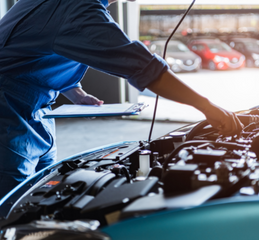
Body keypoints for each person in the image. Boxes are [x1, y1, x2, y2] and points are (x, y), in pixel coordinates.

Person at [0, 0, 243, 199]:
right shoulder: (76, 9)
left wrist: (76, 92)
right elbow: (144, 68)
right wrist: (206, 106)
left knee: (42, 190)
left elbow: (33, 52)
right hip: (8, 110)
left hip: (35, 109)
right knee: (12, 200)